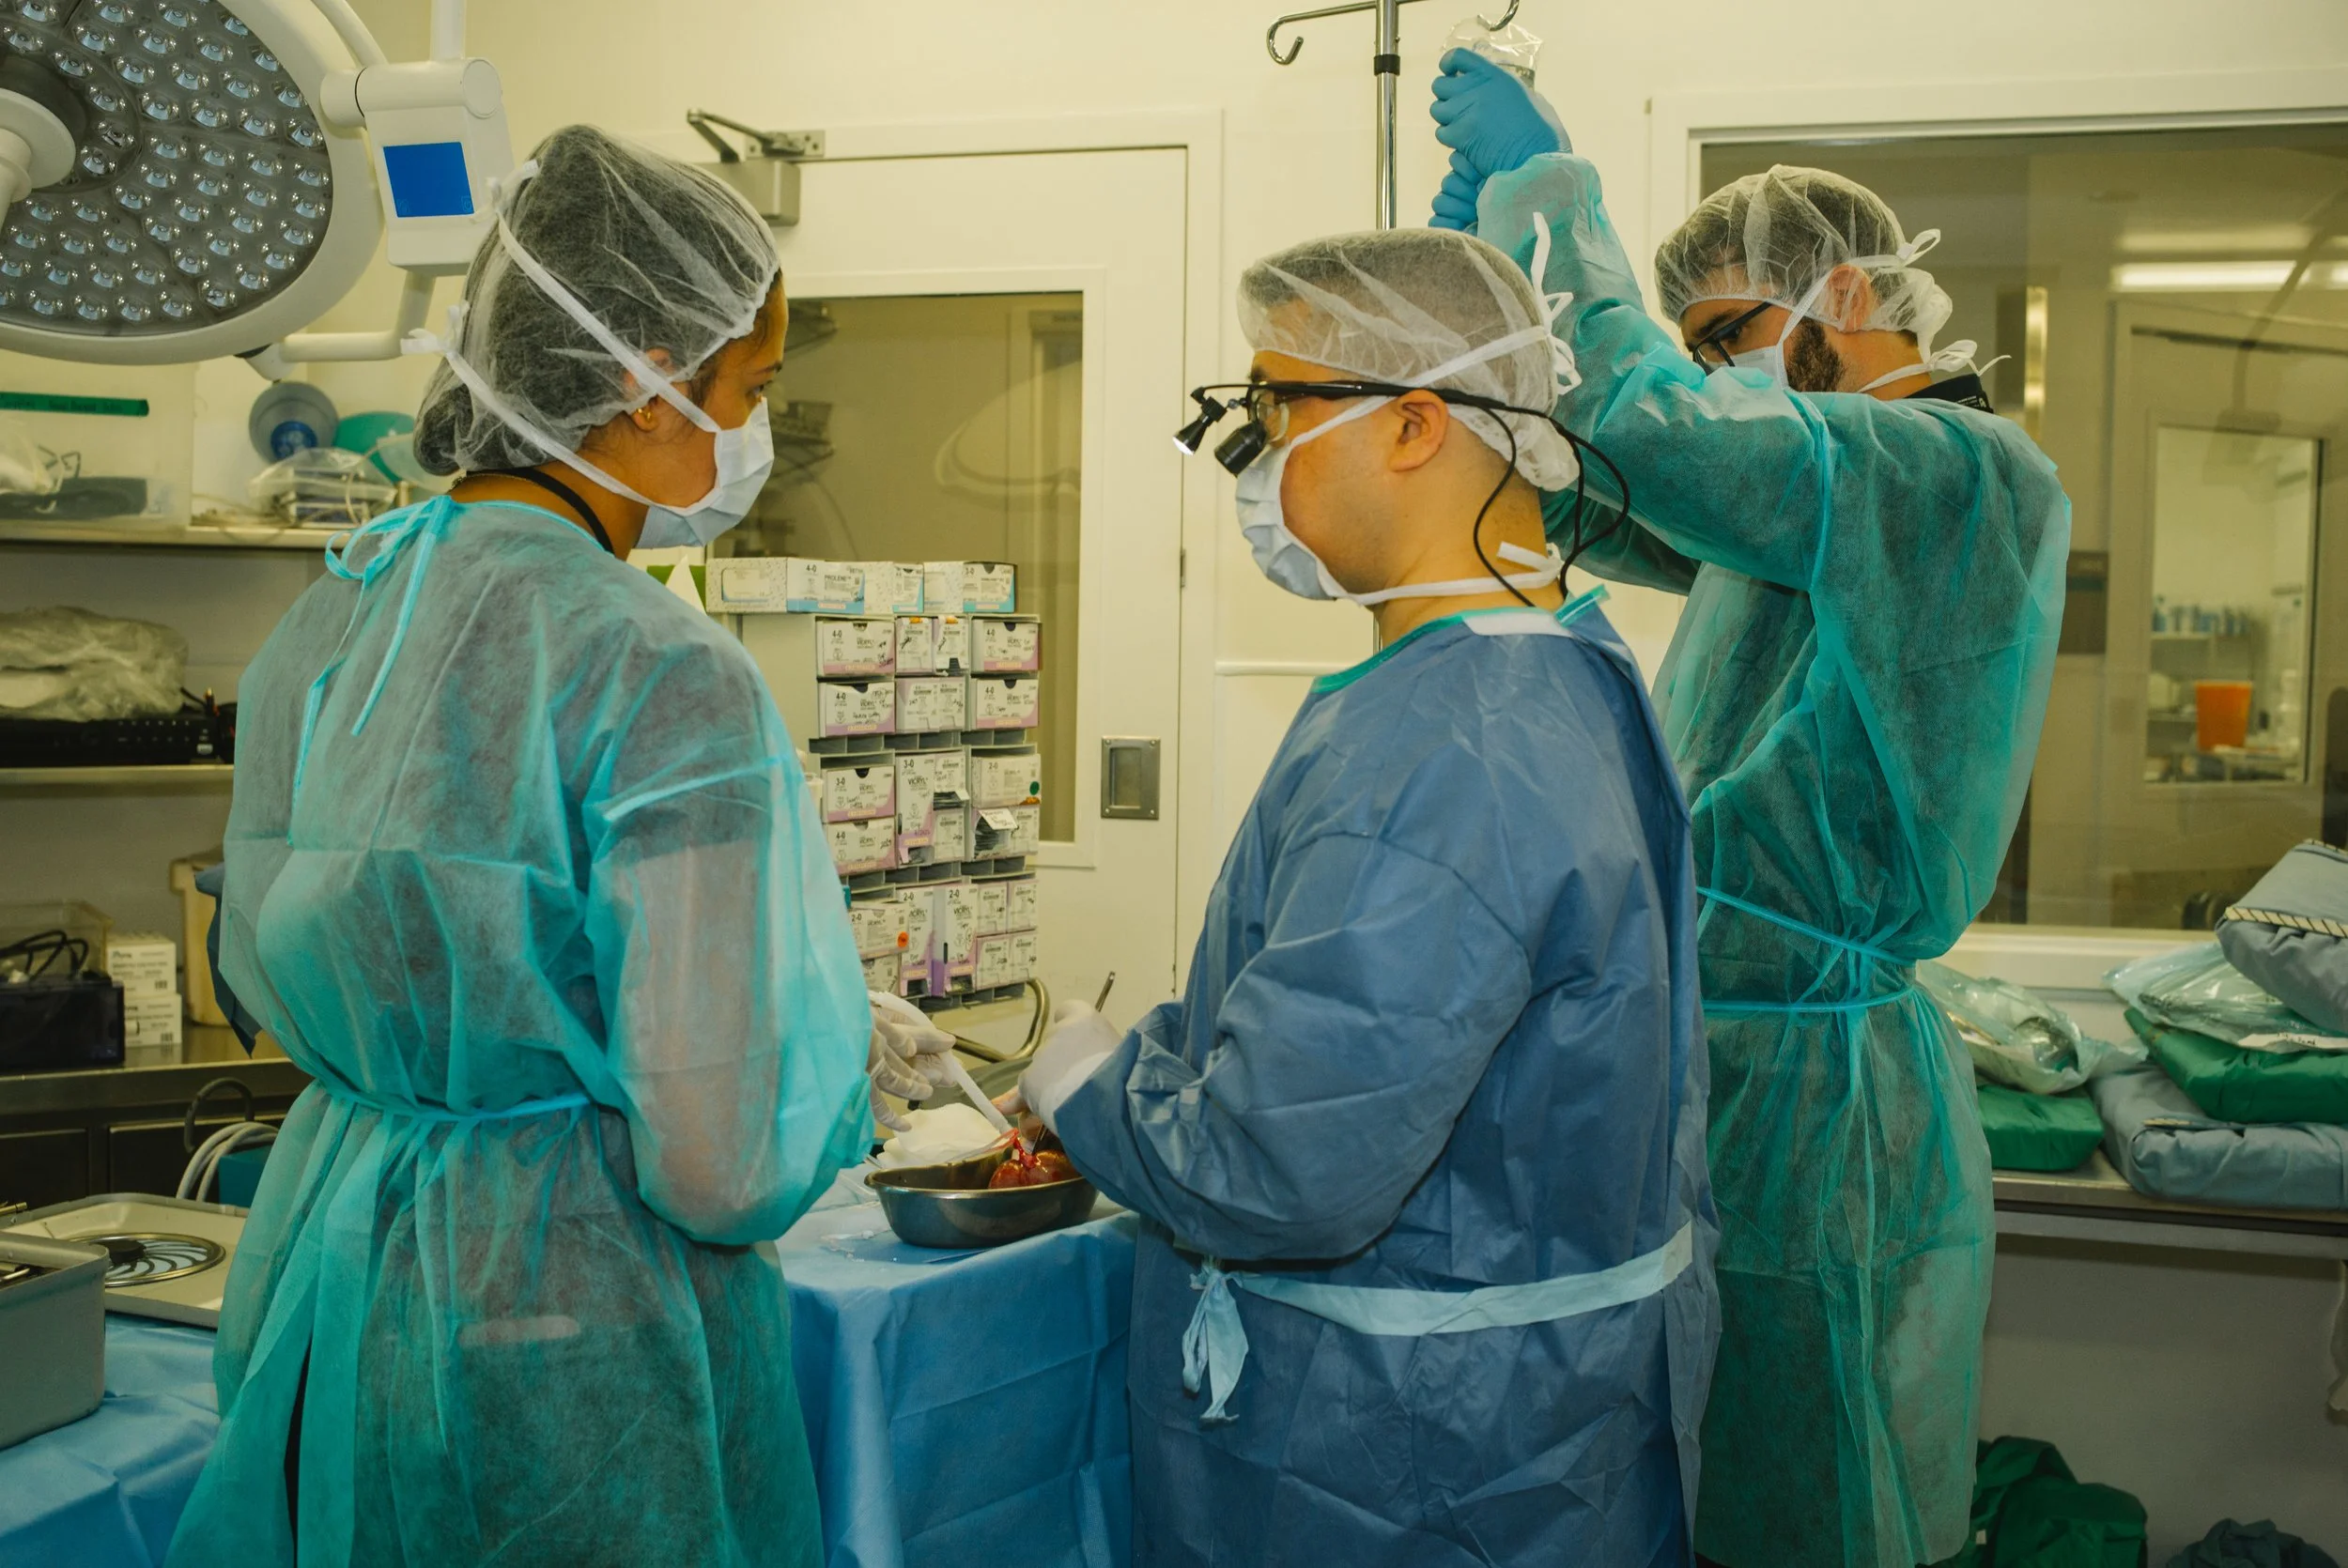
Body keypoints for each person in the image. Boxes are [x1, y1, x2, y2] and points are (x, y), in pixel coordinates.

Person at [165, 125, 953, 1568]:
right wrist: (816, 1052)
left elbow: (278, 968)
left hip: (340, 1282)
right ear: (649, 385)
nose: (753, 430)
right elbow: (720, 1162)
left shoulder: (331, 617)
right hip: (573, 1327)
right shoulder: (661, 667)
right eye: (749, 387)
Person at [1428, 52, 2071, 1568]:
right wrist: (1486, 324)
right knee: (1705, 1496)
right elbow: (1589, 489)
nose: (1722, 369)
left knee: (1820, 1495)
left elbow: (1678, 444)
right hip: (1721, 1060)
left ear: (1848, 294)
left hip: (1829, 1102)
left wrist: (1574, 220)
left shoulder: (1960, 477)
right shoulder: (1798, 512)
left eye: (1733, 333)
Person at [1008, 225, 1718, 1566]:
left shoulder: (1452, 744)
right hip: (1534, 1432)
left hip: (1413, 1464)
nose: (1253, 458)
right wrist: (1168, 1052)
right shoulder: (1558, 665)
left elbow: (1283, 1170)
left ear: (1411, 427)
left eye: (1276, 408)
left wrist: (1088, 1086)